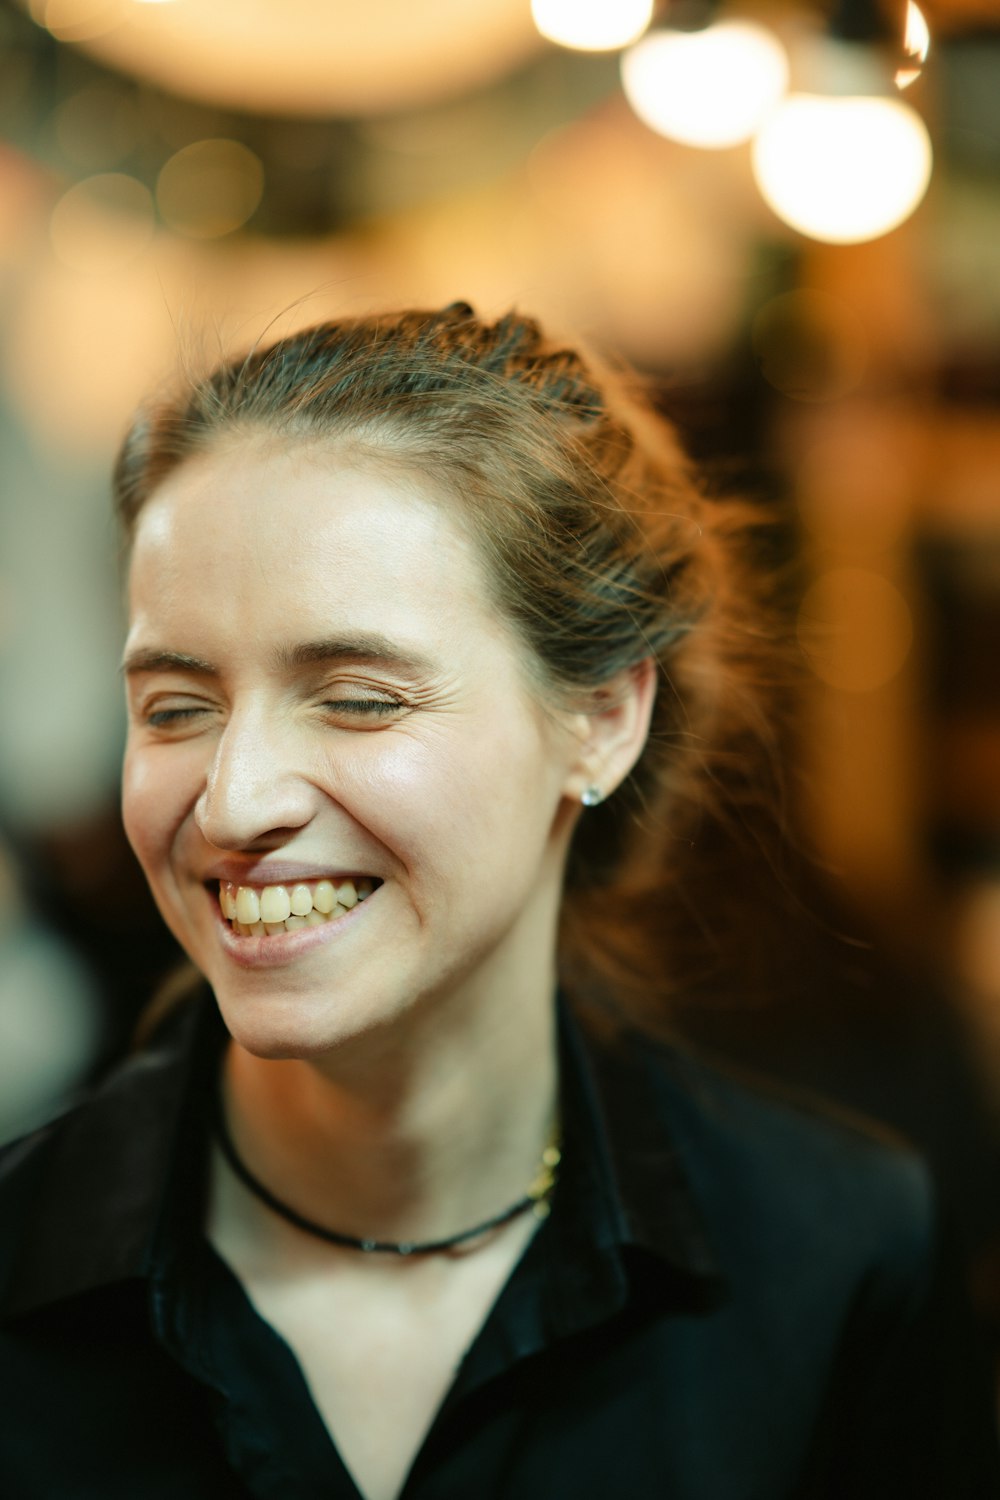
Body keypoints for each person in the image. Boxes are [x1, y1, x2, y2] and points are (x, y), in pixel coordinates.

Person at [0, 303, 996, 1499]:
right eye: (175, 706)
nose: (230, 801)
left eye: (359, 697)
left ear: (600, 719)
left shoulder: (837, 1261)